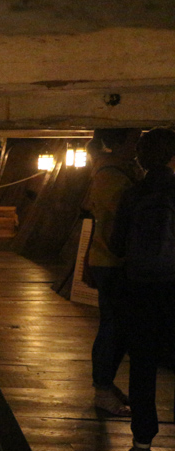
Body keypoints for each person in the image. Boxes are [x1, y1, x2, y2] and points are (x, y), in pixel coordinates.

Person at [110, 127, 175, 451]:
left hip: (139, 287)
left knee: (143, 363)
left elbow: (117, 244)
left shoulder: (133, 194)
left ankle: (142, 437)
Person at [84, 128, 140, 416]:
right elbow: (122, 218)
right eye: (134, 138)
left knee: (116, 326)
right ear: (119, 143)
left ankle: (106, 384)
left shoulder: (116, 171)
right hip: (111, 260)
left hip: (111, 259)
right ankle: (102, 389)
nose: (138, 144)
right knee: (112, 327)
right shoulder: (110, 176)